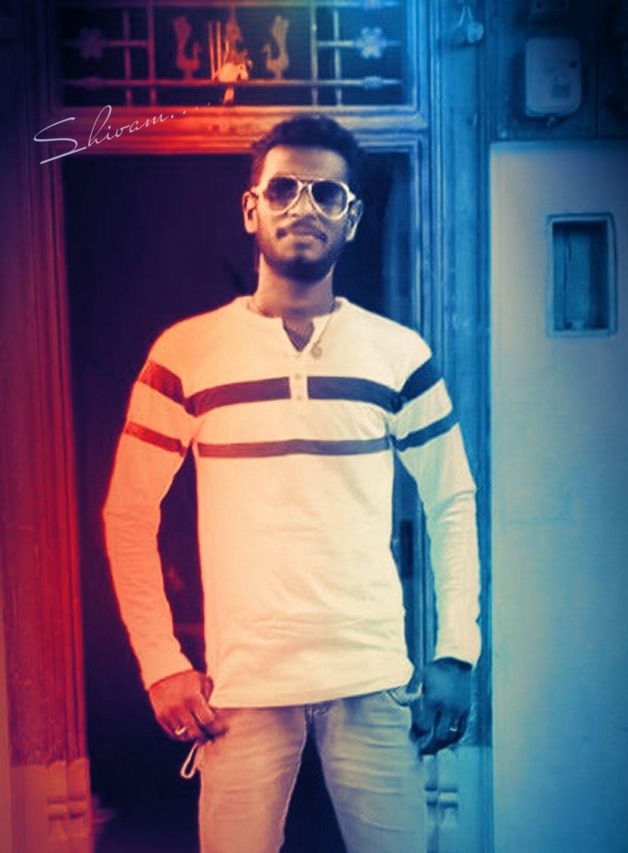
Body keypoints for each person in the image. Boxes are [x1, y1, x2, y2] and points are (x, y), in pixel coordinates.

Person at [103, 114, 481, 853]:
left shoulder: (398, 354)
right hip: (242, 689)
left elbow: (451, 501)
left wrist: (456, 650)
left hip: (371, 675)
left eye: (326, 194)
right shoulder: (186, 352)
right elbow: (128, 513)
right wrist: (161, 664)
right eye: (283, 189)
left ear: (352, 218)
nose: (303, 207)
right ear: (252, 208)